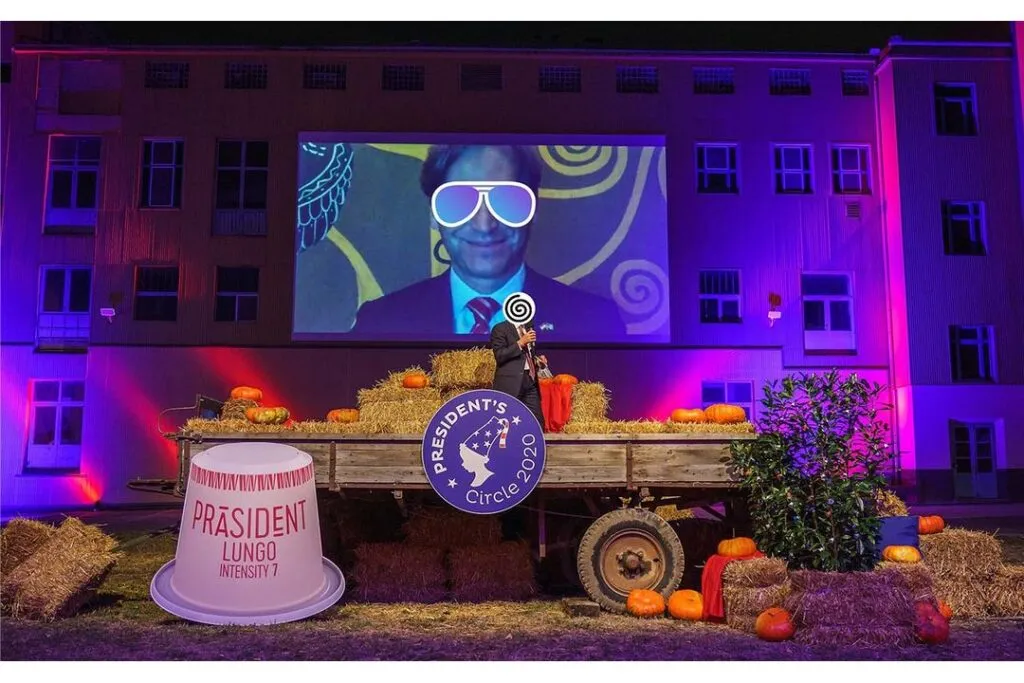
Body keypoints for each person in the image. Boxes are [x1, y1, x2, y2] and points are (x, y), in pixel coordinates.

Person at [350, 144, 626, 340]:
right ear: (434, 214)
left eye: (506, 199)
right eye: (460, 200)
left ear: (533, 209)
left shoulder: (595, 323)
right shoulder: (381, 323)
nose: (484, 226)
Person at [489, 318, 547, 429]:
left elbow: (527, 356)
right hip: (511, 383)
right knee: (507, 422)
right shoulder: (500, 328)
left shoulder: (527, 329)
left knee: (537, 422)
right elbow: (500, 355)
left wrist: (538, 361)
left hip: (530, 381)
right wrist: (520, 343)